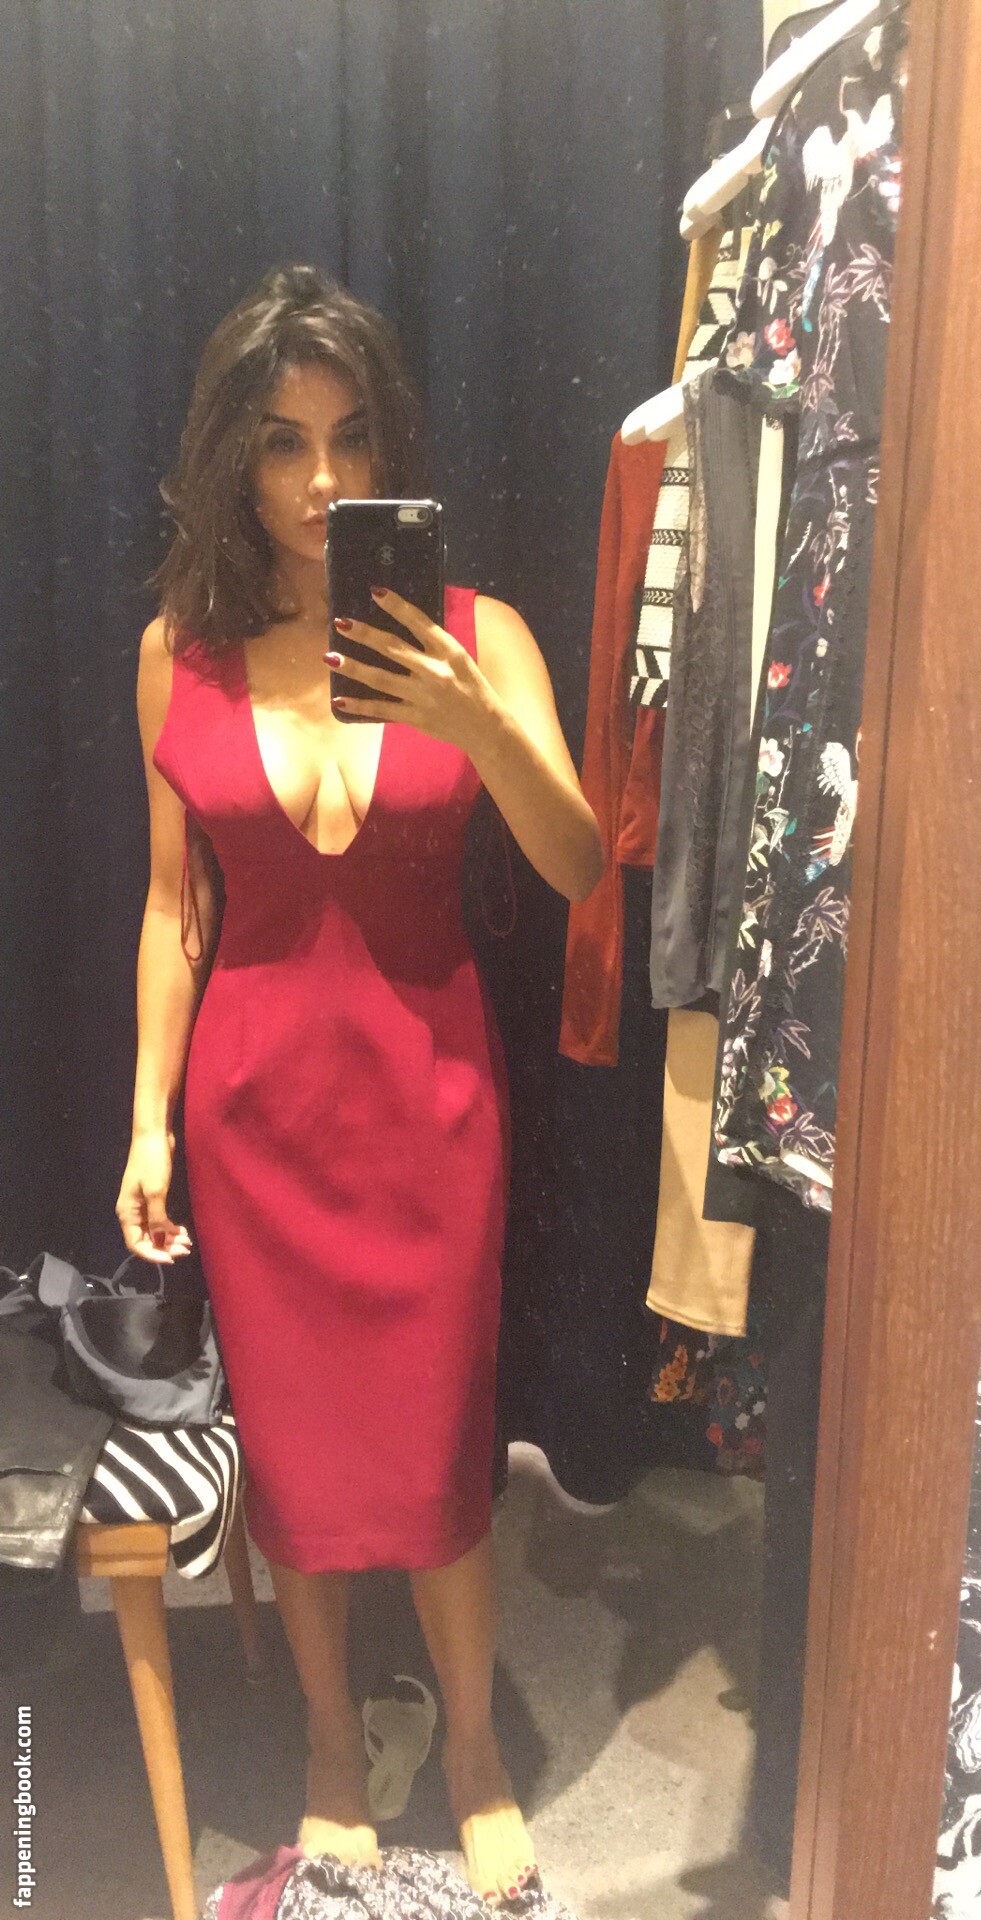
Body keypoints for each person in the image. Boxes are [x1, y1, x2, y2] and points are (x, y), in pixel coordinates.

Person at [115, 264, 602, 1906]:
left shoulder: (480, 636)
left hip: (430, 1112)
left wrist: (478, 718)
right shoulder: (177, 656)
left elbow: (576, 865)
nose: (321, 481)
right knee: (301, 1460)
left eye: (349, 438)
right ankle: (331, 1748)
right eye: (281, 442)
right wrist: (144, 1118)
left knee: (445, 1452)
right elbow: (175, 911)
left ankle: (471, 1751)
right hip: (256, 1124)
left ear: (392, 448)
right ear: (233, 457)